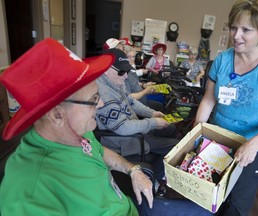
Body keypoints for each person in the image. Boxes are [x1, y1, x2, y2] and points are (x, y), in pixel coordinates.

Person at [0, 38, 213, 216]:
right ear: (57, 114)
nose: (100, 104)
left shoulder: (79, 134)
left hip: (130, 205)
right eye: (93, 99)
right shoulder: (28, 192)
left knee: (205, 209)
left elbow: (100, 151)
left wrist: (133, 170)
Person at [193, 0, 258, 215]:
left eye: (246, 30)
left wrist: (254, 144)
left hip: (255, 145)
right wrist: (197, 130)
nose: (236, 35)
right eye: (233, 27)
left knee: (237, 203)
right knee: (212, 192)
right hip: (218, 138)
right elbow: (209, 100)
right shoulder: (223, 60)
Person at [94, 48, 179, 183]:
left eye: (127, 71)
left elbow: (132, 102)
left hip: (134, 130)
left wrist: (151, 113)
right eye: (122, 72)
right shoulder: (103, 94)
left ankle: (159, 168)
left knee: (170, 129)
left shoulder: (116, 82)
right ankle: (154, 180)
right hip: (125, 140)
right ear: (105, 69)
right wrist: (151, 123)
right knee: (176, 148)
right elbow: (122, 128)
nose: (126, 76)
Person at [123, 44, 164, 112]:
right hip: (137, 103)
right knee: (160, 105)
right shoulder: (124, 74)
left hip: (142, 97)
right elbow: (128, 98)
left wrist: (144, 85)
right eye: (129, 57)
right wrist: (145, 91)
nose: (132, 59)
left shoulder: (130, 71)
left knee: (160, 104)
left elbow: (134, 82)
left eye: (133, 57)